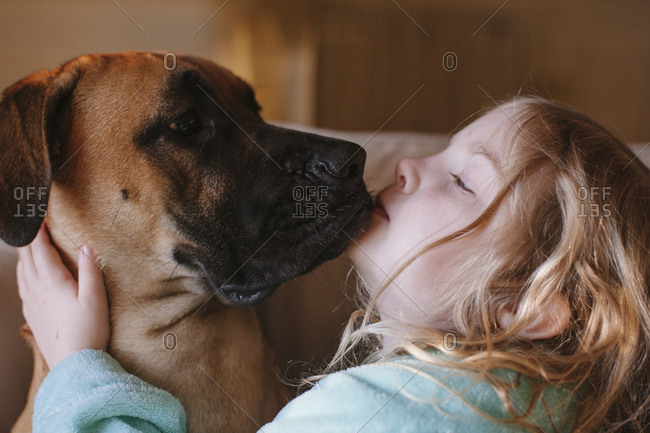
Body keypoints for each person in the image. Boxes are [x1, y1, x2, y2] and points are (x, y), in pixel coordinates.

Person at [18, 96, 650, 432]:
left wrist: (76, 369)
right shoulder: (539, 407)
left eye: (462, 180)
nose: (409, 163)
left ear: (522, 307)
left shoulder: (387, 413)